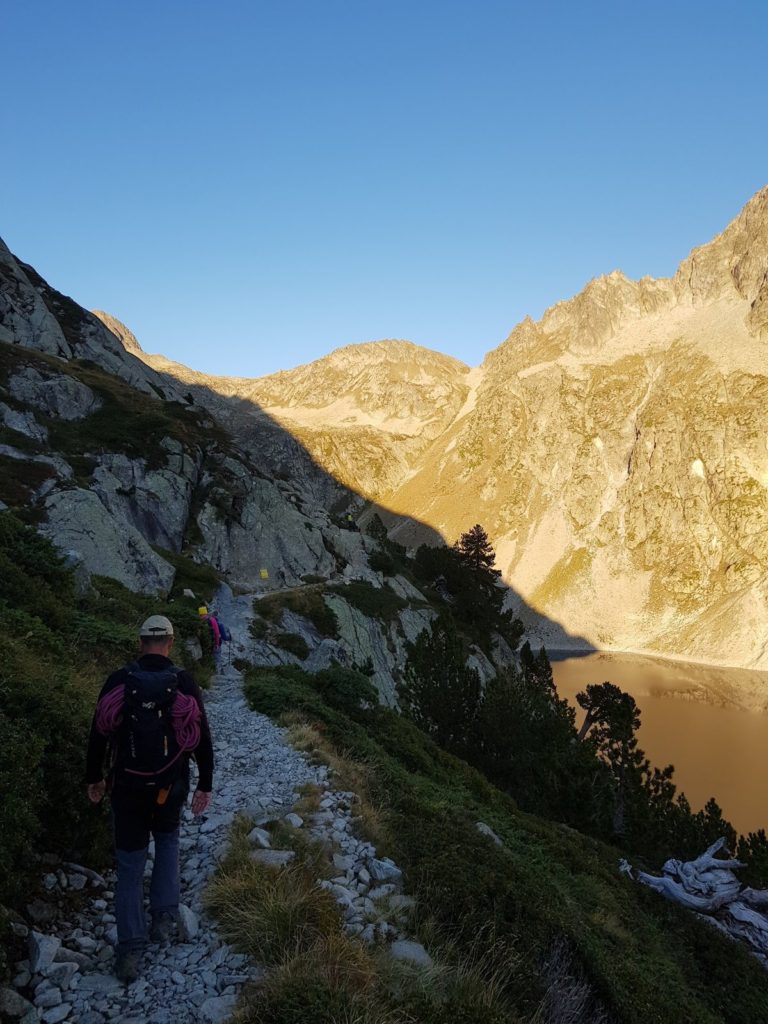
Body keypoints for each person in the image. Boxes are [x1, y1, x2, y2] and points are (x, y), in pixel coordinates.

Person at [85, 615, 214, 983]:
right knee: (169, 842)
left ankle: (130, 949)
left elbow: (97, 734)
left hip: (126, 787)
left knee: (129, 865)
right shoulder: (183, 681)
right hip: (170, 786)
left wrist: (93, 777)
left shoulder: (119, 681)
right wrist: (205, 783)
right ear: (170, 644)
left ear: (141, 643)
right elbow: (202, 738)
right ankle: (163, 918)